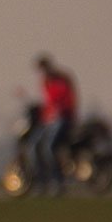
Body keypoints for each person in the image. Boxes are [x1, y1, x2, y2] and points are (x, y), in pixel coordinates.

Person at [29, 54, 77, 196]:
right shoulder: (45, 82)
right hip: (48, 121)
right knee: (33, 146)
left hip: (62, 119)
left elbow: (68, 101)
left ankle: (58, 181)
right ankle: (41, 181)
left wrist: (61, 111)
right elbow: (47, 104)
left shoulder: (62, 79)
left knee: (49, 148)